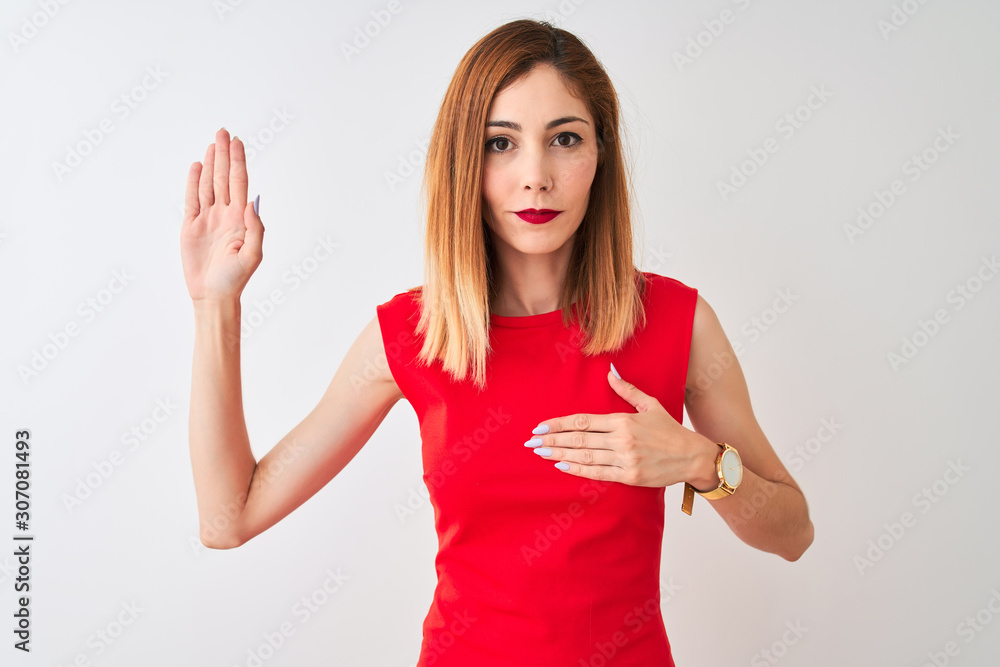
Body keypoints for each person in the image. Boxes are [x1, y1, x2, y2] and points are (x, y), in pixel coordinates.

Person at [181, 18, 813, 666]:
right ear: (465, 161)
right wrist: (214, 304)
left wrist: (701, 462)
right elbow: (229, 518)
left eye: (565, 138)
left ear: (601, 153)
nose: (535, 175)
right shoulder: (411, 334)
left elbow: (794, 531)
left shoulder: (679, 321)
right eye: (501, 143)